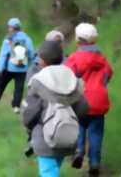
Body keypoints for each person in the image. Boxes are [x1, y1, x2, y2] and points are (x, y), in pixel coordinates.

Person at [22, 40, 87, 177]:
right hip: (67, 135)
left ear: (42, 60)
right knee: (53, 168)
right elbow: (83, 107)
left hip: (44, 137)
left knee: (48, 172)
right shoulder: (71, 78)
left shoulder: (38, 81)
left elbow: (30, 113)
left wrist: (29, 128)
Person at [66, 23, 113, 177]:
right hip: (99, 101)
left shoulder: (74, 58)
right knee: (96, 133)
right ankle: (94, 163)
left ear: (78, 40)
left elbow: (67, 76)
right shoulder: (102, 59)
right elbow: (108, 74)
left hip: (80, 100)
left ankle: (79, 151)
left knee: (79, 126)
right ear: (94, 40)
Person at [0, 18, 35, 113]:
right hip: (22, 67)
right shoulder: (27, 39)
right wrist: (28, 64)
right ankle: (16, 106)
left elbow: (3, 55)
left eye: (9, 27)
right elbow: (31, 54)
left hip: (9, 67)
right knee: (19, 87)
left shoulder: (8, 40)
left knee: (1, 83)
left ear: (11, 28)